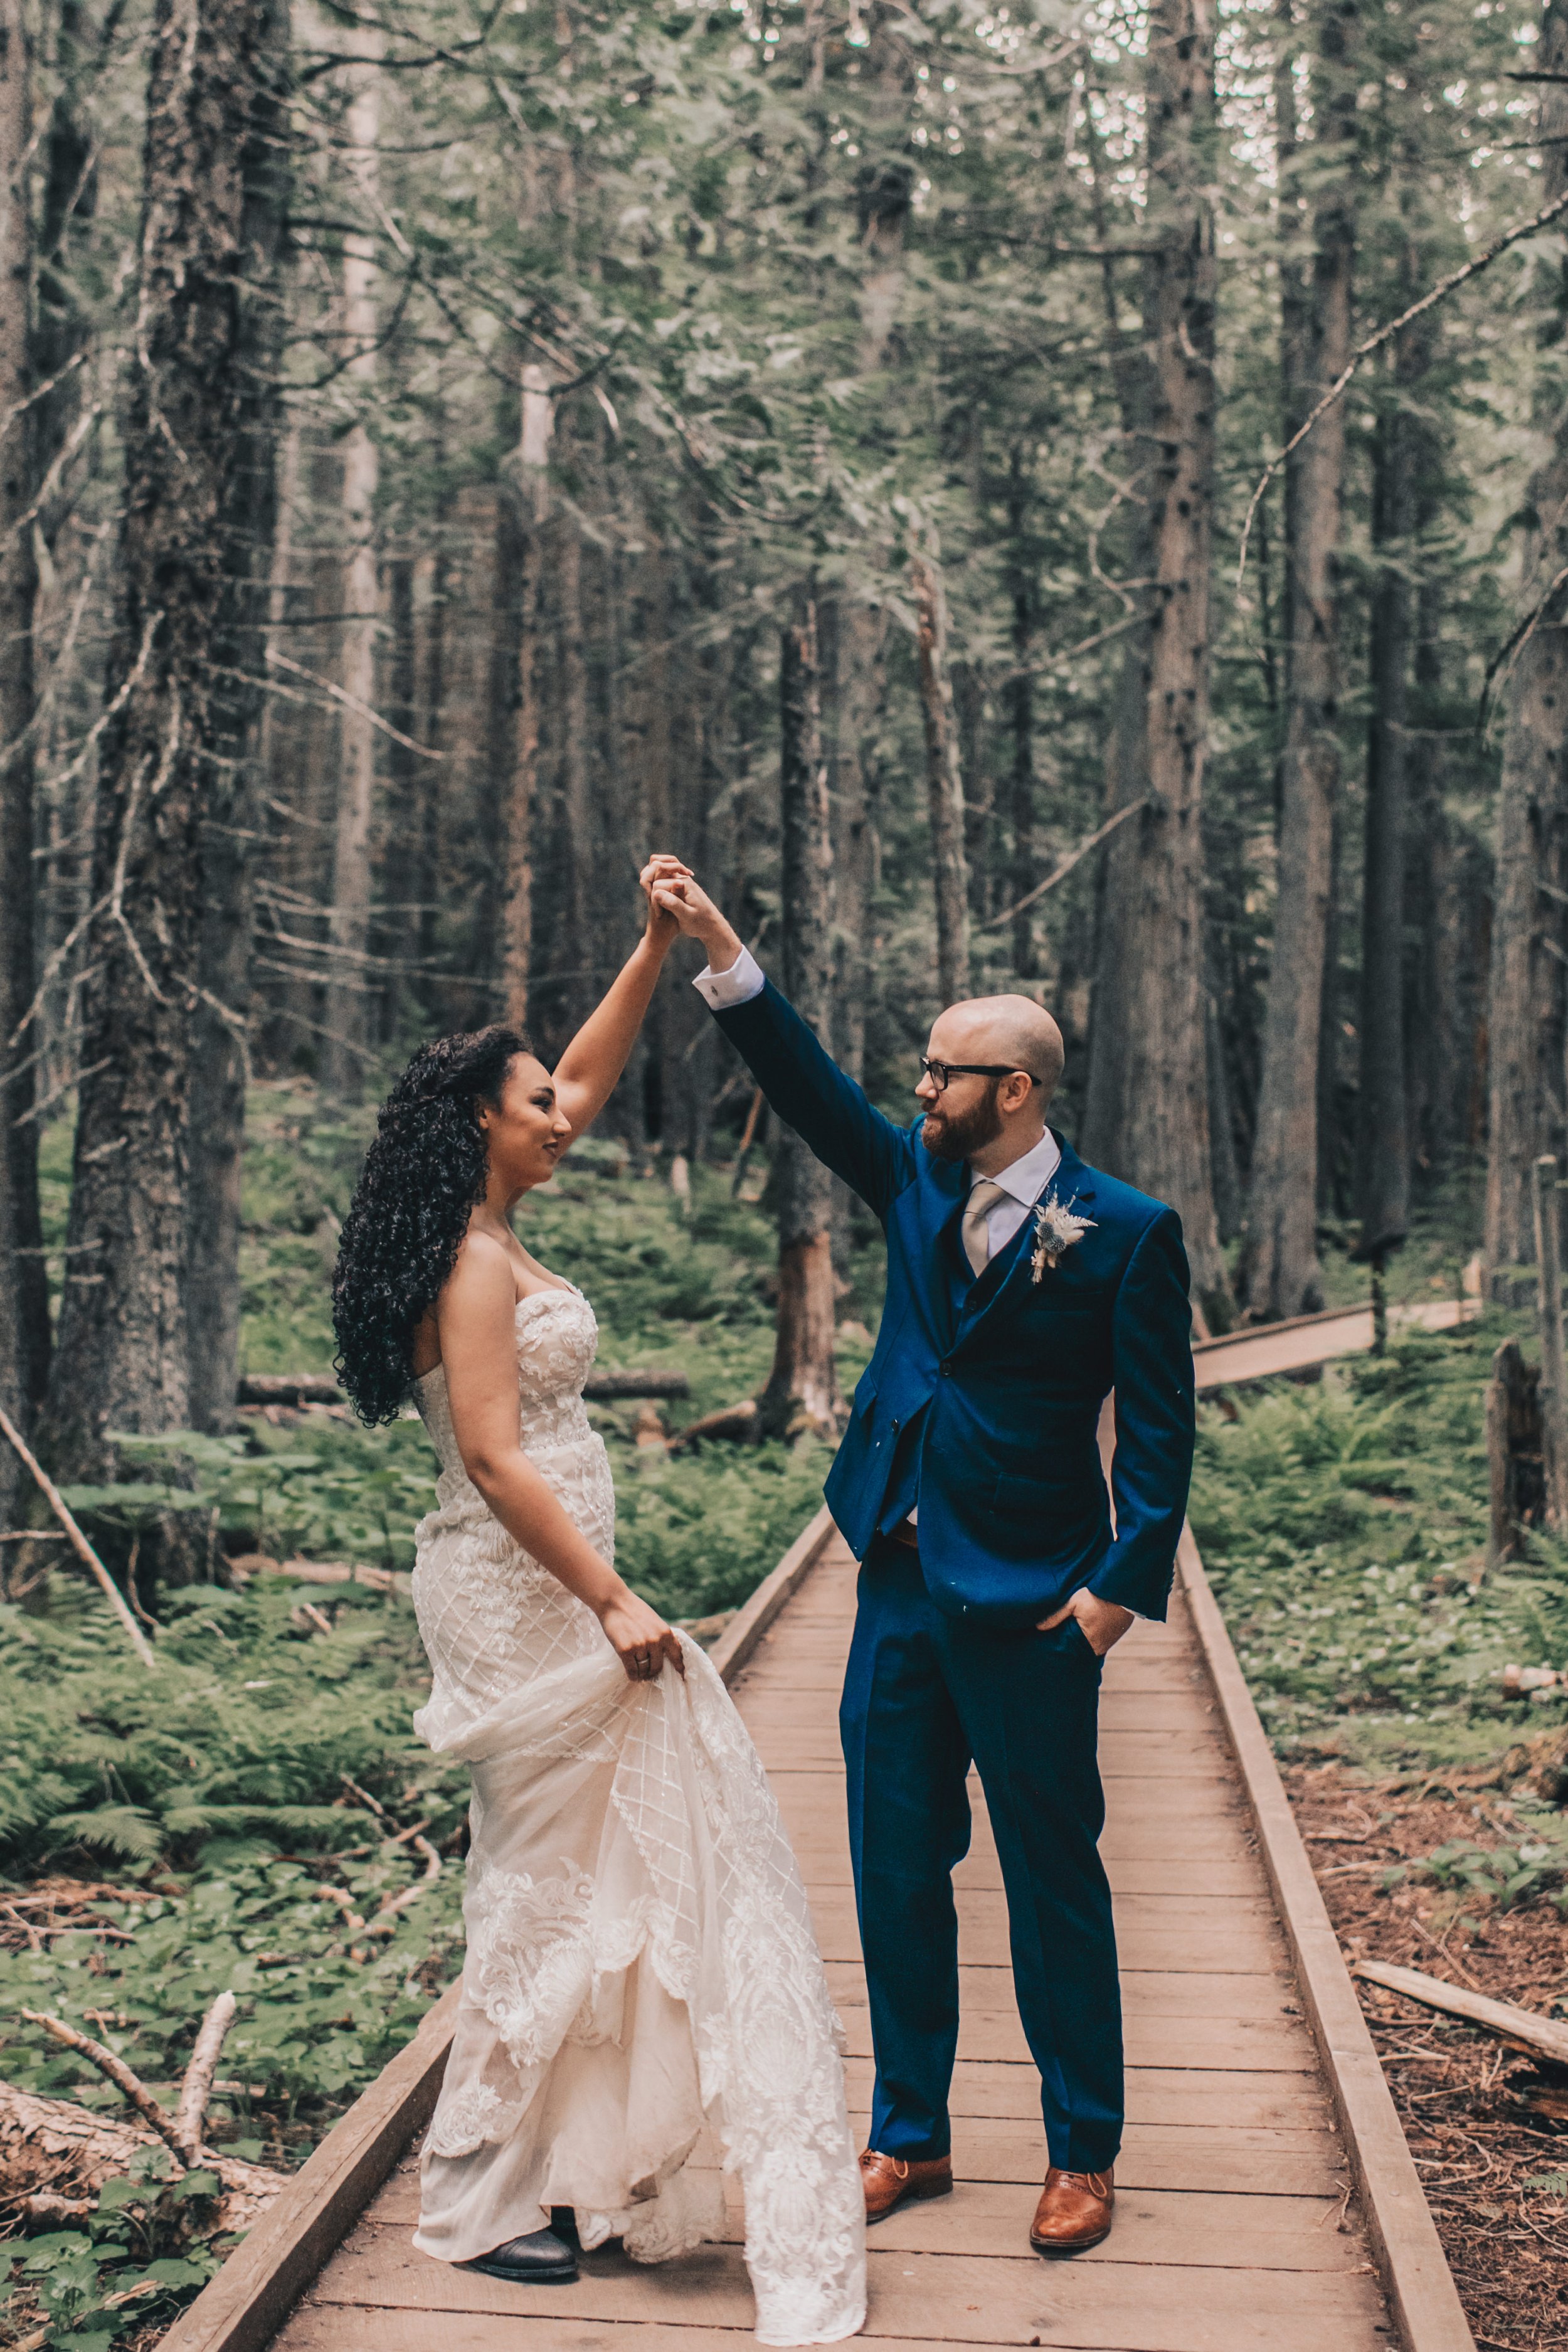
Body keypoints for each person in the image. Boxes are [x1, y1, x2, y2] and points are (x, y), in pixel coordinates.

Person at [331, 858, 865, 2350]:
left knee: (601, 1884)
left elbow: (583, 1065)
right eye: (531, 1106)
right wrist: (618, 1600)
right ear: (478, 1132)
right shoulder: (473, 1264)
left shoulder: (500, 1214)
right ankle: (476, 2196)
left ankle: (568, 2170)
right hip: (520, 1594)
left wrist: (648, 948)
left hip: (549, 1587)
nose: (560, 1113)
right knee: (540, 1887)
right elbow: (497, 1463)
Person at [650, 869, 1195, 2260]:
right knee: (893, 1864)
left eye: (943, 1075)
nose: (919, 1094)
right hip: (892, 1575)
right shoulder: (908, 1173)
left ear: (1009, 1090)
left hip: (1033, 1601)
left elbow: (1158, 1432)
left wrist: (1112, 1599)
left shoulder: (1123, 1230)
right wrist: (723, 958)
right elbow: (811, 1080)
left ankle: (1083, 2151)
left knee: (1048, 1878)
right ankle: (910, 2131)